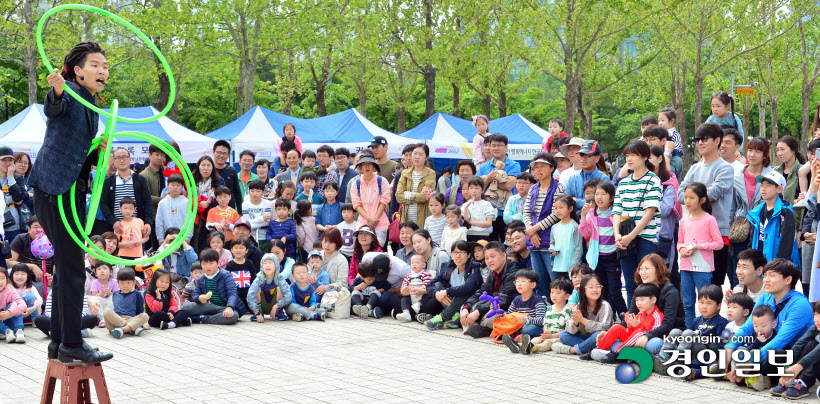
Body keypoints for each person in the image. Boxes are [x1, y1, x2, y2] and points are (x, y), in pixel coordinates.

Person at [721, 258, 814, 390]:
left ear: (788, 280)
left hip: (791, 355)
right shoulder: (765, 297)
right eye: (765, 275)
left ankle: (744, 374)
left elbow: (781, 340)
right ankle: (747, 376)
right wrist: (729, 348)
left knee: (774, 355)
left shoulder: (800, 305)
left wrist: (750, 361)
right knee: (735, 351)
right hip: (765, 346)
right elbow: (748, 327)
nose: (765, 280)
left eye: (772, 275)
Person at [679, 123, 735, 288]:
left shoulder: (726, 168)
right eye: (697, 139)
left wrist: (691, 196)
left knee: (714, 286)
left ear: (717, 140)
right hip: (692, 236)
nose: (700, 143)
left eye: (704, 139)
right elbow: (680, 194)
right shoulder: (695, 168)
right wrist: (696, 196)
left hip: (717, 233)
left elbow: (713, 194)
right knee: (691, 289)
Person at [615, 140, 663, 306]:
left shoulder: (653, 181)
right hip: (624, 239)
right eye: (627, 155)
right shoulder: (623, 183)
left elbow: (649, 213)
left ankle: (649, 322)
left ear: (644, 157)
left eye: (633, 155)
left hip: (646, 239)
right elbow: (616, 212)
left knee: (648, 283)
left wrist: (630, 236)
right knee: (630, 283)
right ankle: (632, 320)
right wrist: (618, 235)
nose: (629, 158)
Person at [678, 182, 723, 328]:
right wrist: (682, 249)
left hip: (703, 268)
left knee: (706, 303)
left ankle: (708, 331)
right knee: (688, 303)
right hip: (685, 267)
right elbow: (679, 242)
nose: (687, 201)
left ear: (702, 200)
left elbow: (719, 243)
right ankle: (689, 332)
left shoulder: (709, 219)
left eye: (692, 197)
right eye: (686, 197)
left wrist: (699, 246)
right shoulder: (684, 221)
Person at [656, 284, 728, 376]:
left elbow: (720, 343)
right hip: (693, 351)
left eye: (709, 303)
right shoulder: (696, 320)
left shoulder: (721, 321)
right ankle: (663, 356)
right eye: (701, 302)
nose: (704, 306)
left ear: (718, 306)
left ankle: (679, 359)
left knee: (688, 333)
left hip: (706, 353)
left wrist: (704, 340)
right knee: (676, 331)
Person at [623, 254, 685, 356]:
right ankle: (633, 354)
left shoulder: (670, 292)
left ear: (658, 270)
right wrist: (614, 330)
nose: (642, 272)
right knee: (610, 335)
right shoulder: (641, 289)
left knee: (654, 344)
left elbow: (668, 324)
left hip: (665, 336)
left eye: (647, 268)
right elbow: (632, 315)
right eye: (640, 269)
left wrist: (647, 336)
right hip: (642, 332)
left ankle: (627, 353)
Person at [579, 181, 626, 314]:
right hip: (597, 258)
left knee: (615, 291)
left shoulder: (616, 213)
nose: (599, 197)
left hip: (613, 257)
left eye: (603, 194)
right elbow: (585, 233)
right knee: (601, 292)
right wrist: (583, 216)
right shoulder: (592, 213)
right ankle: (606, 319)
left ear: (611, 197)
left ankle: (624, 318)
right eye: (596, 194)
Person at [459, 242, 522, 338]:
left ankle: (475, 326)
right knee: (464, 307)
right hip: (489, 307)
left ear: (503, 256)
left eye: (492, 257)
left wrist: (478, 311)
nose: (489, 261)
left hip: (506, 310)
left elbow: (504, 299)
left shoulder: (514, 272)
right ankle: (489, 329)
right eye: (487, 258)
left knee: (494, 315)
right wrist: (467, 308)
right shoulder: (493, 272)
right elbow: (481, 292)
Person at [731, 137, 772, 288]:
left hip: (762, 230)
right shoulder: (737, 175)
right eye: (750, 150)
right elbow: (732, 206)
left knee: (762, 272)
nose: (752, 154)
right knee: (739, 274)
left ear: (765, 155)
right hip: (740, 230)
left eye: (757, 151)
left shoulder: (772, 176)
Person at [523, 152, 565, 297]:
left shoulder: (558, 187)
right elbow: (526, 212)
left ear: (552, 168)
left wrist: (534, 229)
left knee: (555, 279)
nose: (538, 170)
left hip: (550, 240)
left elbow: (556, 214)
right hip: (533, 240)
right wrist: (531, 230)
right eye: (536, 167)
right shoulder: (533, 188)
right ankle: (543, 310)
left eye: (542, 166)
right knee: (538, 280)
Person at [591, 283, 662, 363]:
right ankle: (599, 349)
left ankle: (617, 353)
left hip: (647, 342)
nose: (638, 303)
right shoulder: (640, 314)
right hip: (634, 342)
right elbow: (631, 334)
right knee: (617, 327)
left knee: (638, 332)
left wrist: (637, 326)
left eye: (642, 300)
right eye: (637, 300)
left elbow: (653, 334)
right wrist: (629, 325)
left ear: (653, 300)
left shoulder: (657, 316)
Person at [423, 240, 482, 330]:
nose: (458, 256)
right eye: (455, 252)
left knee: (464, 291)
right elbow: (430, 284)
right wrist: (436, 294)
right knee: (438, 285)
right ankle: (455, 314)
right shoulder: (448, 267)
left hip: (469, 301)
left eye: (462, 252)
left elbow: (468, 288)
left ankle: (442, 318)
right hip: (453, 301)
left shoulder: (474, 267)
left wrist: (446, 291)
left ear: (469, 255)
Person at [552, 274, 615, 356]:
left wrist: (583, 321)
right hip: (588, 339)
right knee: (563, 335)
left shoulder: (605, 305)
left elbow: (606, 327)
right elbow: (570, 330)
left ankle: (573, 350)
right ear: (583, 290)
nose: (595, 290)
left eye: (598, 286)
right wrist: (575, 322)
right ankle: (590, 349)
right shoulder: (579, 305)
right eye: (591, 287)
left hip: (602, 338)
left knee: (597, 334)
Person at [769, 301, 820, 399]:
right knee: (809, 344)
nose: (817, 319)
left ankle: (804, 381)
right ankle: (796, 380)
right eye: (816, 314)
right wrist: (788, 368)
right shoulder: (814, 329)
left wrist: (798, 366)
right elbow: (799, 345)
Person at [99, 148, 153, 240]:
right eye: (118, 158)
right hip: (115, 229)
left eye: (124, 157)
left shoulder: (140, 180)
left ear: (130, 159)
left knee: (137, 253)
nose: (121, 160)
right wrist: (114, 221)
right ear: (114, 161)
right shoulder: (109, 181)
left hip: (136, 228)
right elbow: (103, 204)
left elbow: (147, 201)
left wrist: (147, 222)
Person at [746, 170, 799, 265]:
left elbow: (786, 245)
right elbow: (753, 239)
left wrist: (779, 266)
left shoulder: (785, 213)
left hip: (777, 266)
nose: (763, 189)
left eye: (768, 185)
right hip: (759, 263)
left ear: (779, 189)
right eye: (762, 185)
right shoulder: (757, 211)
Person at [510, 277, 574, 354]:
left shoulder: (568, 311)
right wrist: (546, 332)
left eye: (558, 293)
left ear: (567, 296)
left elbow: (567, 331)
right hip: (548, 335)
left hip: (557, 337)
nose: (554, 295)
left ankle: (532, 348)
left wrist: (551, 336)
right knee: (535, 340)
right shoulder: (550, 309)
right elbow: (545, 324)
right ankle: (519, 346)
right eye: (552, 292)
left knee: (546, 344)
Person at [182, 248, 244, 325]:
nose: (208, 267)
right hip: (207, 306)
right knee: (186, 307)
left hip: (223, 307)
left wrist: (230, 307)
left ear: (218, 263)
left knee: (234, 316)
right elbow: (195, 296)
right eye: (204, 264)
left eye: (211, 263)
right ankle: (201, 317)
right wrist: (199, 298)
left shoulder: (226, 275)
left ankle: (201, 319)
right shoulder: (201, 278)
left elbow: (232, 293)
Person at [477, 134, 521, 241]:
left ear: (506, 147)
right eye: (493, 145)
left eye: (499, 145)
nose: (496, 148)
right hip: (487, 213)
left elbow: (509, 186)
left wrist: (488, 179)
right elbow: (477, 189)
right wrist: (489, 179)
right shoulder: (483, 167)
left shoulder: (514, 165)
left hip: (507, 213)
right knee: (487, 245)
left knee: (508, 244)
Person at [499, 269, 548, 345]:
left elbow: (541, 321)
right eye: (517, 281)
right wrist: (499, 313)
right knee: (500, 323)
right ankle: (517, 338)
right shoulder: (516, 299)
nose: (519, 284)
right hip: (519, 327)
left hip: (535, 328)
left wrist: (526, 320)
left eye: (523, 281)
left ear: (533, 285)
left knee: (528, 329)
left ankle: (515, 338)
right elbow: (509, 315)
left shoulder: (538, 300)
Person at [351, 155, 391, 246]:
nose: (367, 167)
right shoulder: (356, 184)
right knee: (363, 249)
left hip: (380, 222)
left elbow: (384, 201)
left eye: (370, 164)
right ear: (360, 167)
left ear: (374, 166)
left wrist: (375, 219)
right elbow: (356, 204)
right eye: (364, 164)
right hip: (362, 223)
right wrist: (369, 219)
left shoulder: (382, 181)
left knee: (379, 250)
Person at [396, 143, 436, 228]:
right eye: (414, 153)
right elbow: (398, 196)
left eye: (421, 154)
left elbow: (425, 197)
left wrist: (408, 194)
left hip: (423, 217)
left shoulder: (430, 173)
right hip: (406, 217)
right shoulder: (405, 173)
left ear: (426, 157)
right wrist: (416, 197)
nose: (417, 157)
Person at [565, 140, 610, 214]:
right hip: (575, 222)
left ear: (597, 158)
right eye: (581, 155)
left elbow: (602, 204)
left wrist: (576, 201)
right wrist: (588, 202)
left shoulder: (604, 179)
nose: (583, 158)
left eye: (588, 155)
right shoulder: (572, 179)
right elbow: (566, 202)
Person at [102, 267, 149, 338]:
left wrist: (140, 324)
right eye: (122, 283)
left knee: (145, 316)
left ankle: (122, 329)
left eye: (128, 283)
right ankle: (130, 328)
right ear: (118, 283)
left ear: (134, 283)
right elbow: (115, 309)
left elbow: (139, 311)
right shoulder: (115, 294)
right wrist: (135, 324)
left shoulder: (137, 294)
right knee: (106, 311)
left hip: (131, 319)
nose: (125, 286)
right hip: (116, 320)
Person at [192, 155, 224, 252]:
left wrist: (208, 203)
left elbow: (222, 196)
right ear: (198, 167)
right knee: (195, 239)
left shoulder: (219, 180)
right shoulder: (192, 180)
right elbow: (188, 198)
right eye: (203, 165)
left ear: (213, 167)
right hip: (195, 215)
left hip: (212, 215)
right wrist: (199, 203)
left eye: (209, 165)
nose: (205, 168)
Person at [247, 253, 291, 322]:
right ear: (262, 266)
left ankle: (278, 312)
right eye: (265, 263)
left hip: (275, 304)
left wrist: (276, 306)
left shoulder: (280, 278)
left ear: (276, 265)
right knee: (257, 289)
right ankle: (260, 311)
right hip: (262, 305)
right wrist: (256, 312)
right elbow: (250, 295)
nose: (267, 265)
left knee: (279, 289)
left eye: (270, 263)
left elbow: (288, 295)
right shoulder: (259, 278)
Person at [775, 135, 807, 226]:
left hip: (795, 224)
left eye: (782, 149)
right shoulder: (775, 172)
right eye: (777, 150)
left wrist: (801, 228)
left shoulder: (802, 172)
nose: (779, 153)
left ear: (793, 150)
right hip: (777, 224)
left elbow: (804, 204)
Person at [548, 195, 583, 280]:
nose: (558, 211)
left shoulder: (575, 226)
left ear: (570, 209)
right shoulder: (554, 227)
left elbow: (579, 248)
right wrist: (552, 249)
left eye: (561, 207)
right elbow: (552, 243)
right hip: (557, 267)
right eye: (556, 208)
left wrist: (574, 266)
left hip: (570, 268)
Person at [8, 216, 52, 282]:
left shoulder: (54, 242)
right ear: (29, 230)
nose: (40, 231)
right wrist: (32, 267)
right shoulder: (21, 239)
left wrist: (52, 279)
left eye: (44, 227)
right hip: (23, 280)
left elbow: (57, 267)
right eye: (36, 227)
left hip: (45, 281)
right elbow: (8, 262)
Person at [140, 144, 166, 250]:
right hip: (153, 217)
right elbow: (145, 198)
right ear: (149, 155)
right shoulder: (143, 175)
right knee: (153, 248)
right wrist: (164, 200)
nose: (160, 157)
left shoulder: (166, 172)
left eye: (162, 155)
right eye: (157, 154)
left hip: (167, 216)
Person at [396, 254, 434, 322]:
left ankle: (418, 304)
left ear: (423, 265)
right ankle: (406, 312)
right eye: (412, 263)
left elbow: (428, 284)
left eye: (417, 263)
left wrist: (421, 289)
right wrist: (405, 289)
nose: (414, 265)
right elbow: (404, 283)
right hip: (411, 294)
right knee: (404, 299)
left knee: (430, 295)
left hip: (422, 295)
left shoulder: (426, 274)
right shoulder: (409, 275)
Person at [155, 174, 190, 243]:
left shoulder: (186, 202)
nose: (175, 187)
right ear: (167, 186)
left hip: (182, 238)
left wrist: (188, 238)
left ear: (182, 187)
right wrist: (161, 239)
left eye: (178, 185)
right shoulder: (162, 202)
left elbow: (189, 220)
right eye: (173, 185)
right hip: (167, 238)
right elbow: (159, 222)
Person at [226, 236, 257, 312]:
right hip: (235, 296)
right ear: (231, 250)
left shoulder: (250, 264)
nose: (238, 250)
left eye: (241, 248)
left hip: (248, 295)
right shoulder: (230, 265)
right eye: (236, 248)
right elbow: (227, 282)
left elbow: (253, 279)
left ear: (246, 250)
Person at [242, 179, 272, 253]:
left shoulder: (267, 204)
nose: (255, 193)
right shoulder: (245, 204)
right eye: (252, 191)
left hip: (264, 236)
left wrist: (252, 225)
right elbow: (247, 223)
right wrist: (262, 218)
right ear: (249, 192)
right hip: (250, 237)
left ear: (263, 192)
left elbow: (266, 222)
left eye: (258, 191)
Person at [462, 177, 497, 242]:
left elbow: (488, 223)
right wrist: (466, 207)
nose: (474, 191)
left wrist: (470, 222)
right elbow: (465, 223)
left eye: (477, 188)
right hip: (469, 235)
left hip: (484, 235)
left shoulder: (486, 204)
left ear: (482, 190)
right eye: (471, 188)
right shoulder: (465, 205)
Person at [212, 140, 242, 212]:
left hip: (229, 211)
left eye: (225, 153)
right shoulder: (208, 170)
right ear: (213, 152)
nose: (221, 156)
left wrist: (240, 212)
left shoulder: (232, 171)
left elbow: (237, 192)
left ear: (228, 155)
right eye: (219, 152)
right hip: (212, 211)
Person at [657, 107, 684, 178]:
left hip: (673, 157)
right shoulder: (659, 134)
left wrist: (669, 150)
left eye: (662, 120)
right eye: (659, 120)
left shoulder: (675, 134)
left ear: (672, 121)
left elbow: (678, 147)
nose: (660, 123)